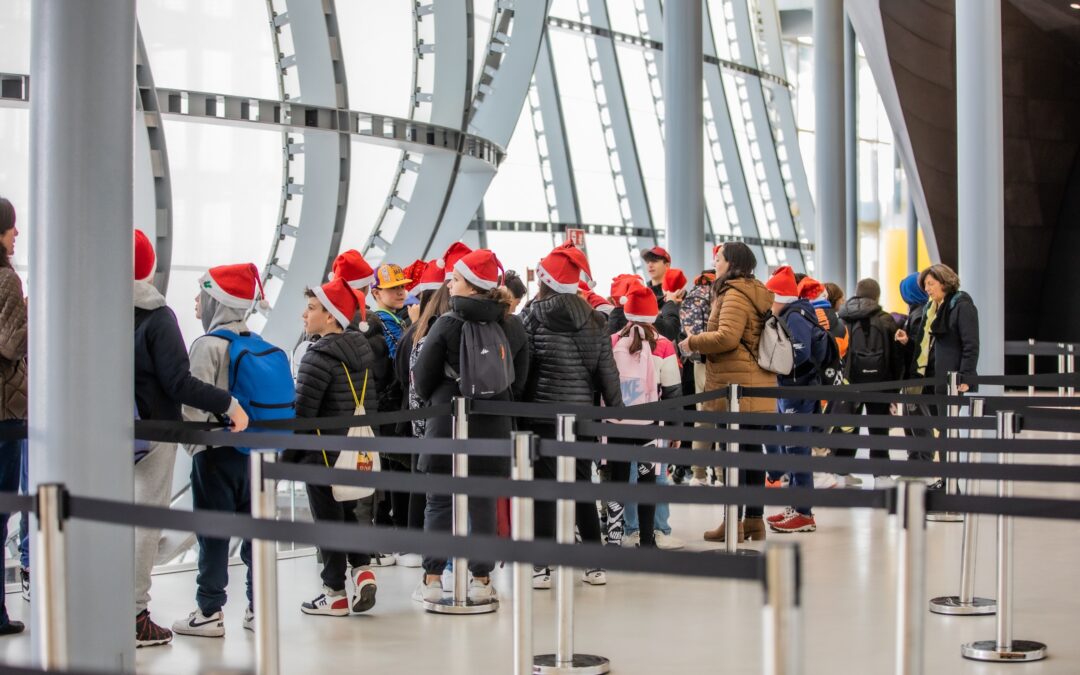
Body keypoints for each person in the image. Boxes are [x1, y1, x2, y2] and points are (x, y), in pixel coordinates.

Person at [132, 231, 250, 647]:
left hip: (106, 432)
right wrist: (229, 404)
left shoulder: (96, 308)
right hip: (154, 434)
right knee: (145, 523)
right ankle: (134, 613)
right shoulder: (157, 316)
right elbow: (178, 382)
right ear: (149, 269)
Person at [411, 249, 529, 603]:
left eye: (457, 279)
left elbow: (421, 379)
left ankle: (433, 580)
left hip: (447, 422)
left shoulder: (446, 323)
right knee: (484, 503)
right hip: (493, 425)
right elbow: (520, 379)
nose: (450, 284)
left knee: (439, 501)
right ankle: (481, 580)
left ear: (473, 286)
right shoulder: (512, 324)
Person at [173, 263, 274, 638]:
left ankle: (209, 611)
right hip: (257, 454)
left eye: (202, 295)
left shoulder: (208, 346)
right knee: (255, 534)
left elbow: (193, 405)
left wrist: (195, 449)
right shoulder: (259, 344)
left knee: (213, 535)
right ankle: (258, 609)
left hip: (217, 453)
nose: (196, 303)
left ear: (218, 302)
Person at [521, 242, 622, 588]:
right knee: (582, 487)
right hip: (582, 417)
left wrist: (517, 404)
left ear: (545, 281)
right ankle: (594, 564)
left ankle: (541, 566)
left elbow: (524, 367)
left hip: (542, 414)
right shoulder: (595, 319)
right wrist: (616, 405)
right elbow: (607, 371)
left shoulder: (532, 315)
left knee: (544, 489)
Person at [289, 278, 380, 617]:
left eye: (312, 308)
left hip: (322, 455)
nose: (305, 315)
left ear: (330, 316)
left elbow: (303, 414)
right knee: (350, 513)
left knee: (327, 521)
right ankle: (363, 569)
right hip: (357, 450)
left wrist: (287, 459)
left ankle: (335, 594)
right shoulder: (362, 351)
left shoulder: (316, 357)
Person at [681, 242, 776, 543]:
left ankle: (733, 523)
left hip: (736, 386)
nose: (715, 263)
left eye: (719, 259)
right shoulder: (756, 291)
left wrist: (693, 342)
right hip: (757, 383)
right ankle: (754, 522)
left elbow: (727, 338)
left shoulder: (733, 293)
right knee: (752, 454)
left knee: (734, 455)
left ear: (732, 263)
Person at [604, 283, 682, 550]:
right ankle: (647, 541)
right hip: (649, 426)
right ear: (654, 314)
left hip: (616, 425)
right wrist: (675, 429)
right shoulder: (664, 345)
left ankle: (614, 539)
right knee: (647, 482)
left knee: (617, 481)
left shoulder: (612, 341)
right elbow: (672, 392)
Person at [764, 266, 829, 534]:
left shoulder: (795, 316)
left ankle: (803, 513)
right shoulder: (792, 313)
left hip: (798, 390)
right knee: (791, 449)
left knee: (797, 450)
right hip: (791, 389)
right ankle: (796, 506)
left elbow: (800, 353)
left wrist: (774, 363)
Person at [837, 278, 904, 488]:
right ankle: (881, 476)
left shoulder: (844, 318)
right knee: (879, 429)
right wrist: (895, 389)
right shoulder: (886, 320)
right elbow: (896, 357)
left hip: (850, 382)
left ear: (856, 293)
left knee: (848, 427)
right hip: (880, 384)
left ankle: (841, 472)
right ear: (877, 295)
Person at [0, 197, 26, 637]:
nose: (16, 233)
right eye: (10, 227)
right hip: (5, 414)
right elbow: (11, 345)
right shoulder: (6, 279)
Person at [680, 266, 717, 487]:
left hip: (699, 361)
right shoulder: (716, 293)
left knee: (703, 418)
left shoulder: (694, 294)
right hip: (715, 360)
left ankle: (699, 474)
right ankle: (718, 475)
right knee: (721, 418)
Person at [896, 273, 934, 462]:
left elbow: (920, 348)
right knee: (911, 416)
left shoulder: (919, 315)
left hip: (916, 376)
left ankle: (923, 459)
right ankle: (915, 457)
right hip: (914, 375)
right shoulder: (918, 312)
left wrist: (906, 342)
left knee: (917, 417)